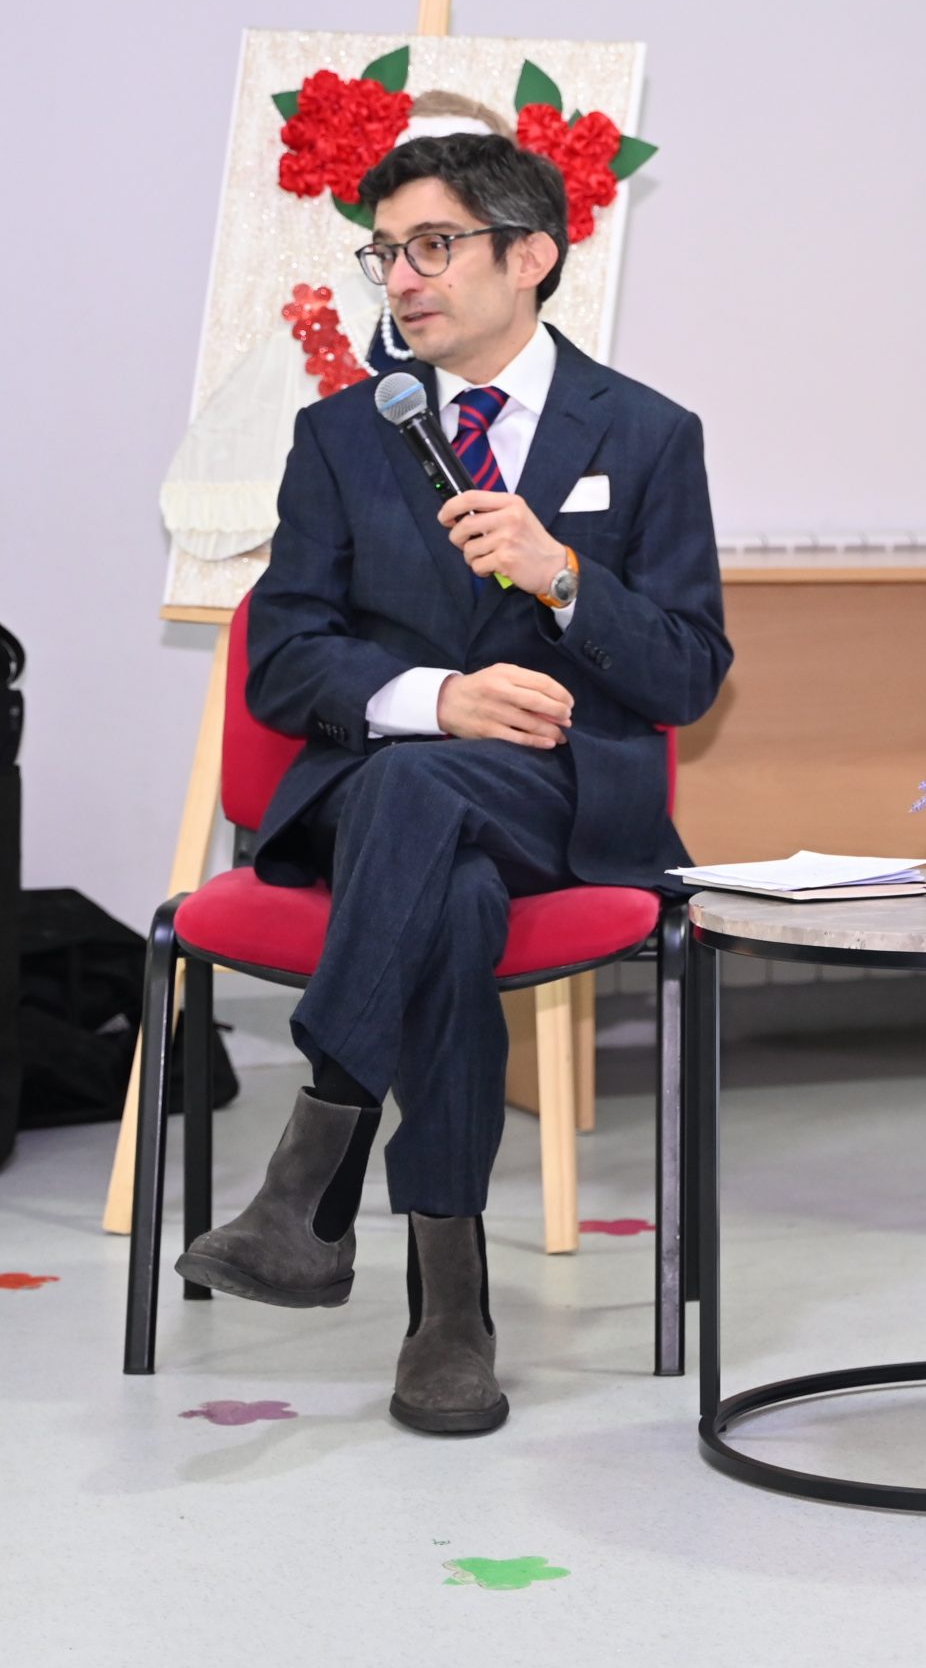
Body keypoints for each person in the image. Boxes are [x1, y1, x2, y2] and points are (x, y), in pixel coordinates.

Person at [176, 133, 730, 1435]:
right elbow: (284, 659)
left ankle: (312, 1185)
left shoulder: (646, 433)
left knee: (426, 815)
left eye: (433, 244)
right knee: (444, 867)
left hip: (563, 798)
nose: (404, 277)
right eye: (386, 253)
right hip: (382, 797)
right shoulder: (341, 437)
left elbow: (689, 674)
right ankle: (449, 1314)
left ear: (530, 256)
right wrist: (435, 701)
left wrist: (564, 578)